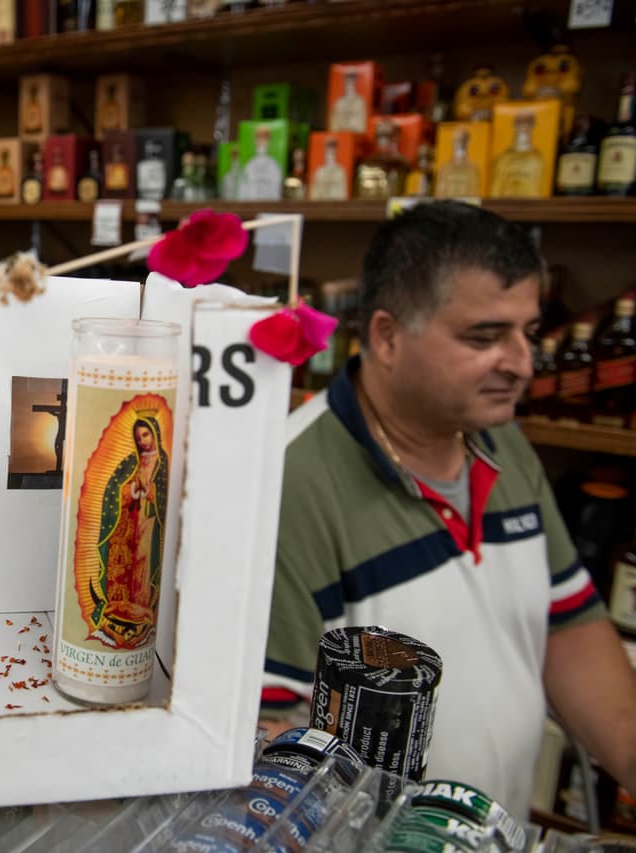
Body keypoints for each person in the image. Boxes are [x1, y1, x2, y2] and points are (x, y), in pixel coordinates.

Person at [262, 201, 636, 821]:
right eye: (484, 337)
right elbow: (277, 739)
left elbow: (568, 629)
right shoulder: (291, 482)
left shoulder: (503, 444)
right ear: (385, 335)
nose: (521, 363)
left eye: (528, 333)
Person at [89, 416, 168, 649]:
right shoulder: (129, 461)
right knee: (120, 564)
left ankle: (140, 611)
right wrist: (132, 489)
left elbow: (163, 494)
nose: (142, 441)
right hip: (125, 522)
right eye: (138, 437)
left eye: (146, 435)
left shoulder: (162, 464)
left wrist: (151, 491)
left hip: (147, 521)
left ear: (154, 434)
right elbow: (113, 489)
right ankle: (116, 607)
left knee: (142, 567)